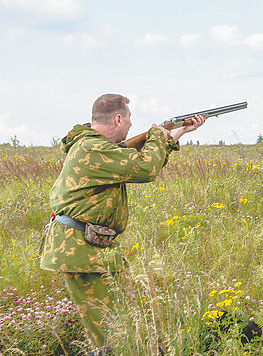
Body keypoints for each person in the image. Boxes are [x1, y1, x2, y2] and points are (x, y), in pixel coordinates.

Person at [40, 94, 206, 355]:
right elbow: (146, 169)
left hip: (92, 247)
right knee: (110, 334)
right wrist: (157, 135)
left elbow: (138, 165)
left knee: (124, 323)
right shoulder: (91, 149)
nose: (131, 125)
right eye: (129, 119)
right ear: (118, 118)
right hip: (81, 251)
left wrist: (178, 133)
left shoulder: (98, 148)